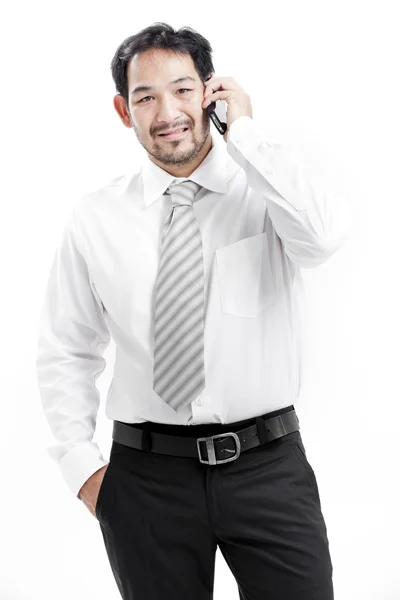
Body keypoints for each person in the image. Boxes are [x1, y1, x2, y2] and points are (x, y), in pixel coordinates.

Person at [36, 21, 353, 600]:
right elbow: (66, 348)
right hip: (145, 478)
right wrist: (84, 470)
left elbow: (323, 240)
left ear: (211, 91)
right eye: (145, 96)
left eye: (183, 89)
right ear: (122, 109)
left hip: (268, 469)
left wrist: (247, 134)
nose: (167, 112)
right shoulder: (95, 217)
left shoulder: (266, 191)